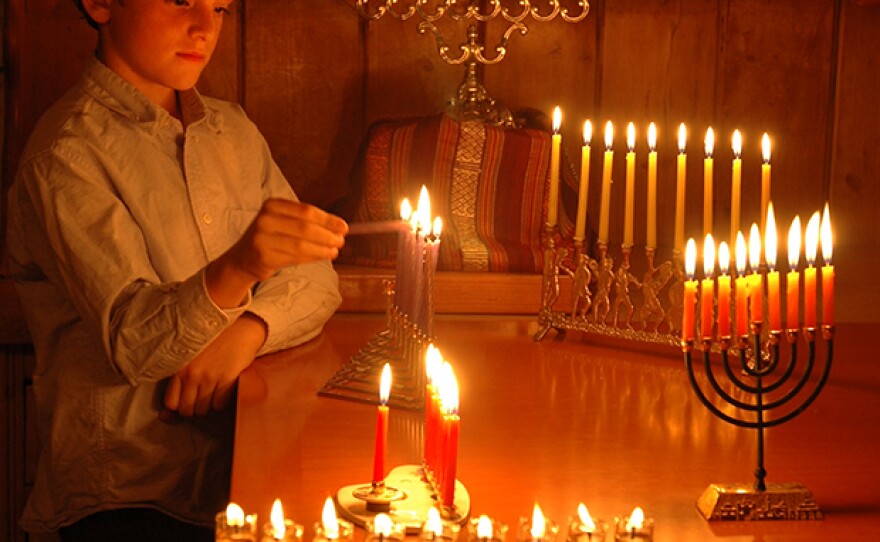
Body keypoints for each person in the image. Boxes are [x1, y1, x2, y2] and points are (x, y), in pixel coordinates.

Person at [5, 0, 348, 539]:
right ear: (100, 5)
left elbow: (317, 279)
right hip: (127, 491)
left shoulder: (232, 132)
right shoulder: (66, 153)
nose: (204, 28)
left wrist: (247, 332)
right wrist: (240, 267)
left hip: (237, 467)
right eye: (183, 1)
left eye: (220, 8)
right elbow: (137, 344)